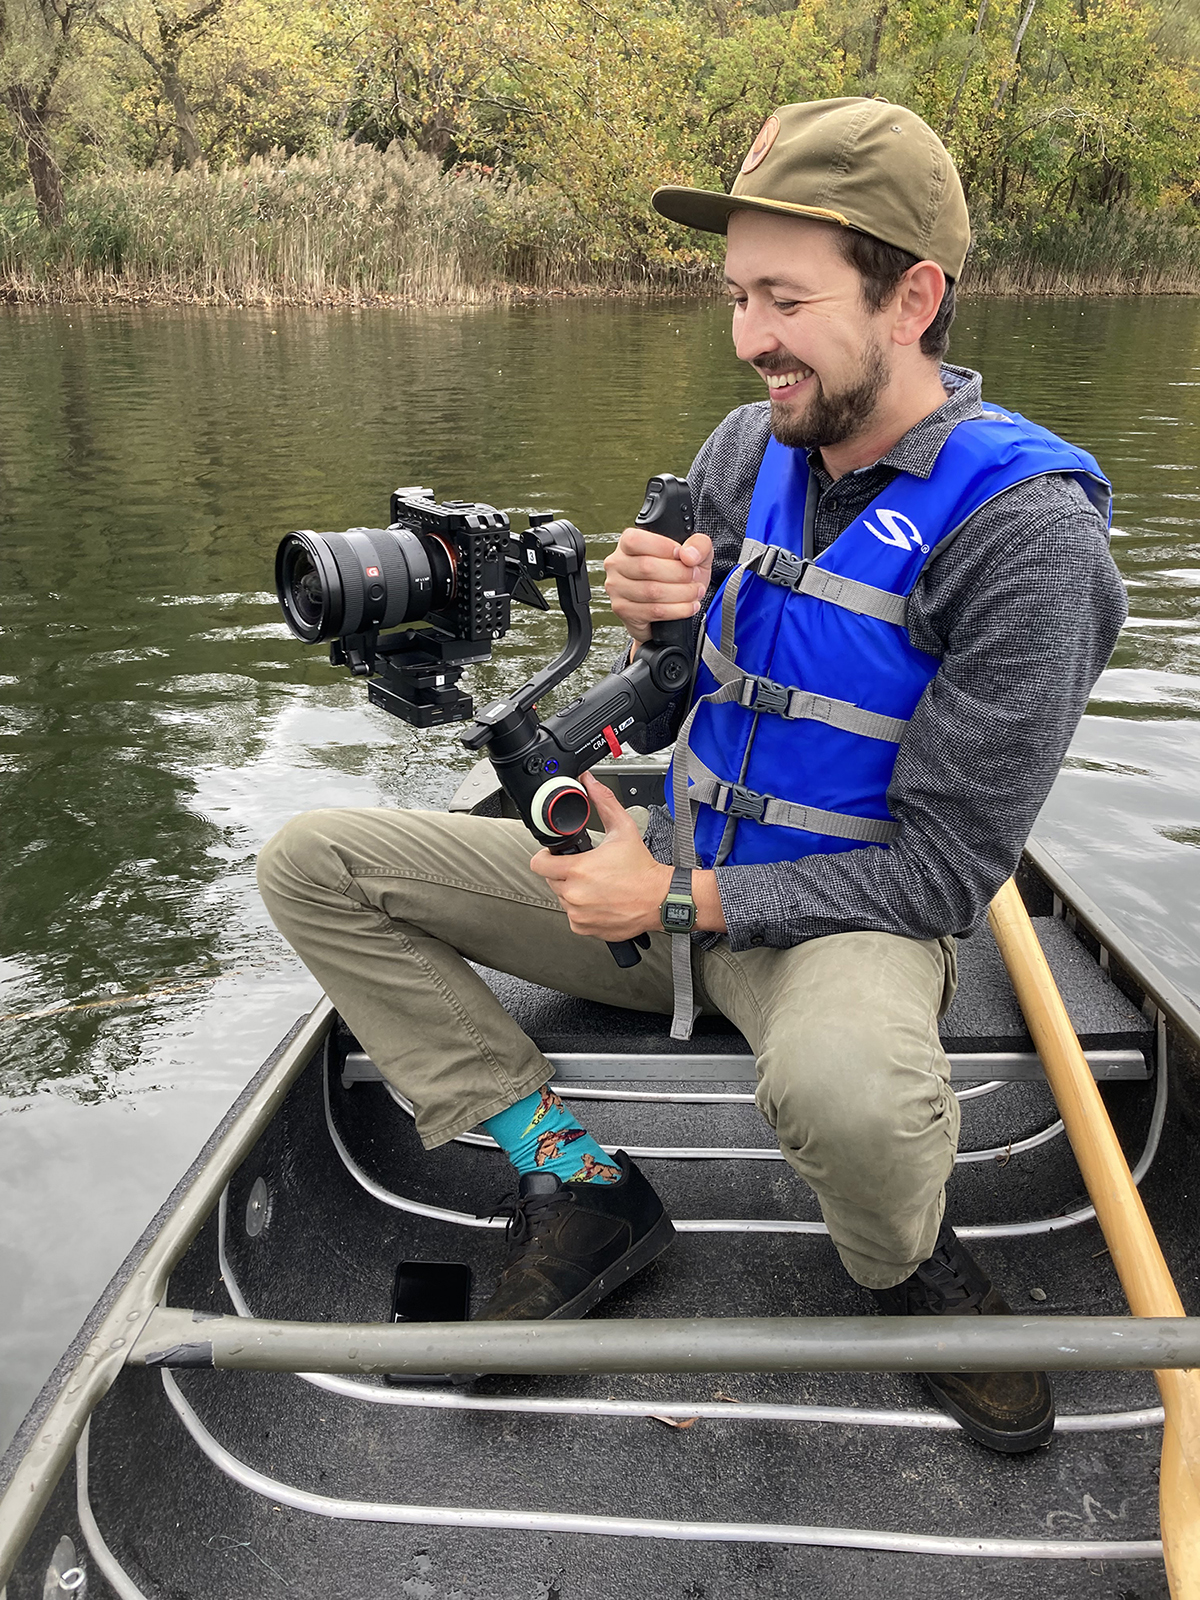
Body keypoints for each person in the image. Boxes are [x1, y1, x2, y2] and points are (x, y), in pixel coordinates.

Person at [256, 97, 1126, 1454]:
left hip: (839, 921)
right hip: (666, 865)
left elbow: (952, 874)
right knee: (316, 863)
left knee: (849, 1092)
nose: (748, 338)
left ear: (914, 297)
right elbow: (677, 688)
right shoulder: (745, 446)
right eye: (735, 295)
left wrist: (675, 905)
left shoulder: (1030, 537)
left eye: (786, 298)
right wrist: (661, 624)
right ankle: (577, 1179)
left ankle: (903, 1271)